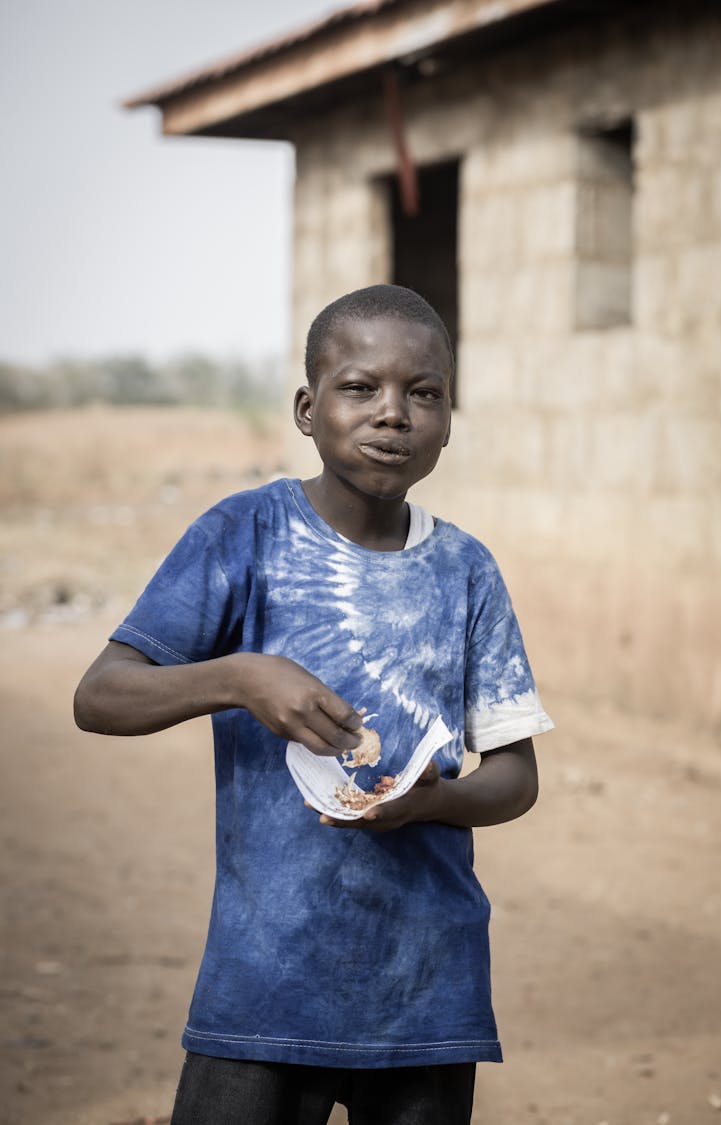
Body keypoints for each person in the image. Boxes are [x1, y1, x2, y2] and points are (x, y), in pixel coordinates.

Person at [74, 284, 553, 1125]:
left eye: (425, 393)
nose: (393, 414)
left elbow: (515, 776)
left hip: (426, 991)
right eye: (361, 387)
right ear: (308, 407)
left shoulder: (467, 571)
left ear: (448, 416)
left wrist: (431, 802)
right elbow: (100, 694)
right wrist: (240, 676)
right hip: (264, 986)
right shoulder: (246, 534)